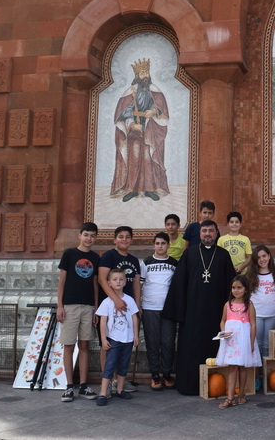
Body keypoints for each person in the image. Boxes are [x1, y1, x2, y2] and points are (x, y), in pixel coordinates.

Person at [162, 219, 236, 395]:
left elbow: (231, 286)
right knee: (191, 349)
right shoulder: (190, 254)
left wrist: (231, 313)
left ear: (217, 233)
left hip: (216, 313)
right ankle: (189, 385)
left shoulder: (224, 255)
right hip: (192, 313)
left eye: (211, 230)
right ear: (199, 233)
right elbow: (179, 283)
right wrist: (179, 311)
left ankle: (218, 385)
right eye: (204, 231)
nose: (208, 234)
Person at [110, 58, 170, 202]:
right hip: (134, 130)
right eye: (142, 72)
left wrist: (153, 112)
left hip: (150, 129)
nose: (145, 75)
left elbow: (160, 108)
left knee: (148, 157)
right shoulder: (130, 93)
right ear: (137, 76)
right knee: (135, 158)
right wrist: (131, 124)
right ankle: (131, 189)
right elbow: (123, 112)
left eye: (146, 72)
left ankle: (149, 189)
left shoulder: (154, 91)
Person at [56, 222, 100, 402]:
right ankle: (68, 386)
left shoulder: (96, 258)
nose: (89, 238)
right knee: (68, 345)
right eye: (86, 235)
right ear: (79, 235)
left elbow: (95, 283)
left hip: (88, 306)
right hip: (70, 306)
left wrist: (96, 307)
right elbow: (61, 282)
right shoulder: (69, 254)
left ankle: (83, 385)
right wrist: (60, 305)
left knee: (84, 345)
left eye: (92, 236)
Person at [97, 226, 141, 394]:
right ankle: (106, 382)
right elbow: (102, 279)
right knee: (107, 346)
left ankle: (119, 381)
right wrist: (115, 301)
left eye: (127, 237)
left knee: (123, 347)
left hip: (128, 307)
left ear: (131, 240)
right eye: (121, 237)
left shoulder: (134, 260)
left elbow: (136, 284)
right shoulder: (108, 256)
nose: (124, 239)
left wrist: (137, 306)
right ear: (114, 239)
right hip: (112, 307)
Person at [95, 269, 140, 406]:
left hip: (127, 338)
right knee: (110, 365)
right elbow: (103, 321)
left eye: (121, 279)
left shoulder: (129, 300)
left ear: (125, 282)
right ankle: (103, 392)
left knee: (124, 365)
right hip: (113, 338)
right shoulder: (107, 302)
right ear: (109, 283)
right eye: (115, 279)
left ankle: (120, 390)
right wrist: (103, 339)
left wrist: (136, 335)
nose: (118, 282)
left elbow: (134, 318)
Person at [216, 276, 262, 408]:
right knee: (232, 367)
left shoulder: (249, 305)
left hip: (243, 340)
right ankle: (230, 398)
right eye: (234, 287)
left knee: (242, 367)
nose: (236, 290)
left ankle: (241, 394)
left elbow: (253, 324)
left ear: (246, 289)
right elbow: (223, 320)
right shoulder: (228, 304)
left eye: (239, 287)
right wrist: (223, 332)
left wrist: (252, 342)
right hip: (231, 340)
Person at [139, 232, 177, 391]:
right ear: (153, 245)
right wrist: (138, 305)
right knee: (153, 343)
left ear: (168, 245)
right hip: (149, 308)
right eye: (157, 243)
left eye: (163, 243)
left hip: (168, 309)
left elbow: (177, 287)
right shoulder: (145, 263)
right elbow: (139, 286)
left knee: (168, 343)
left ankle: (167, 375)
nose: (160, 246)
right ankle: (155, 375)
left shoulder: (175, 263)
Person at [245, 245, 275, 391]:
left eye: (264, 256)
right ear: (255, 259)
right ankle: (256, 378)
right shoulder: (251, 276)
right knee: (257, 346)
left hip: (272, 314)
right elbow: (247, 296)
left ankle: (267, 377)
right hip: (256, 315)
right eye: (259, 257)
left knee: (268, 347)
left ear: (269, 256)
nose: (262, 259)